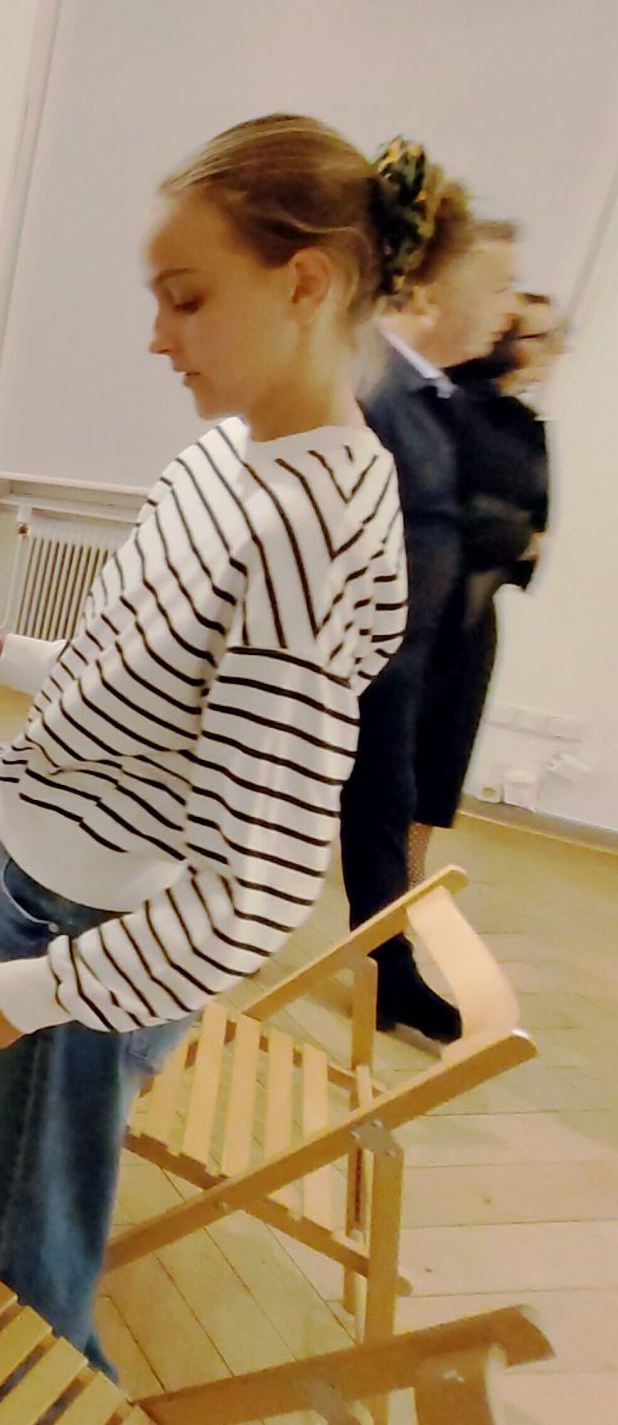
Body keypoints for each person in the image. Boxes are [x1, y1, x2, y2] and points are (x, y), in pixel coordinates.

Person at [0, 115, 417, 1369]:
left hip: (85, 949)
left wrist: (23, 999)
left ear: (304, 283)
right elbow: (138, 676)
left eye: (186, 300)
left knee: (9, 1267)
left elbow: (255, 888)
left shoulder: (307, 527)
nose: (155, 335)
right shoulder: (226, 451)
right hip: (49, 899)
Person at [341, 196, 519, 1043]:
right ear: (437, 292)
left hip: (405, 666)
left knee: (386, 808)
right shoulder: (380, 386)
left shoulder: (433, 395)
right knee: (371, 808)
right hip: (362, 666)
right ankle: (387, 971)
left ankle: (388, 972)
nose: (507, 309)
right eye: (496, 287)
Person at [412, 294, 562, 876]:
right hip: (424, 607)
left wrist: (507, 530)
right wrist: (507, 530)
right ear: (504, 341)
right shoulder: (451, 406)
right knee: (384, 761)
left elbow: (539, 525)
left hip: (476, 615)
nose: (552, 352)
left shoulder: (528, 428)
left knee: (440, 766)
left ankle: (402, 900)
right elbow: (447, 512)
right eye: (539, 338)